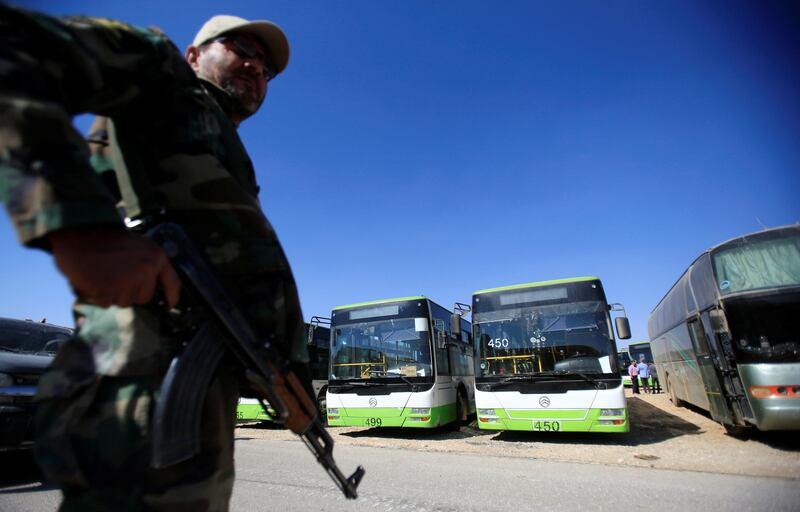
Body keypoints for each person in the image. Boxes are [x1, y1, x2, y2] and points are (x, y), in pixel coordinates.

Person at [0, 7, 308, 511]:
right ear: (193, 56)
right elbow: (15, 45)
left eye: (267, 68)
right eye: (242, 49)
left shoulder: (227, 148)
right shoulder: (160, 73)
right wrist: (82, 230)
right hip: (137, 387)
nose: (257, 68)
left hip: (196, 396)